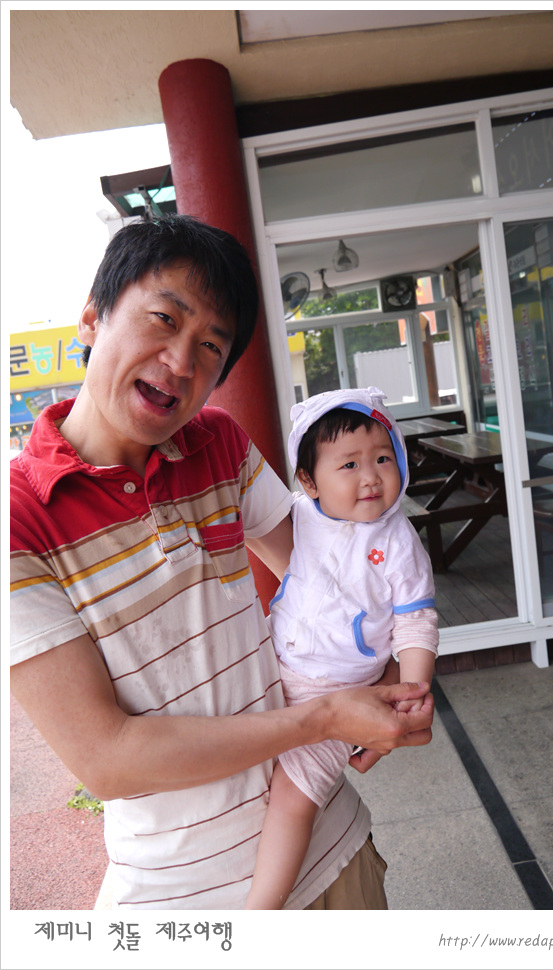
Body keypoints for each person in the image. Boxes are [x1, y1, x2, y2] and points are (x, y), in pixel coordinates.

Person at [10, 215, 434, 910]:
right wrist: (329, 718)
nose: (182, 362)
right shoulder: (20, 521)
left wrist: (393, 686)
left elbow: (337, 586)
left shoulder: (219, 444)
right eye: (164, 319)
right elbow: (106, 759)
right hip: (184, 899)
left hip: (332, 851)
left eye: (211, 345)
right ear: (91, 318)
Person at [244, 387, 438, 909]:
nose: (370, 476)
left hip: (340, 692)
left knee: (294, 798)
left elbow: (415, 622)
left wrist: (412, 691)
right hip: (272, 664)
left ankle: (260, 912)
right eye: (349, 465)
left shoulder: (398, 542)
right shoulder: (300, 518)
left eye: (382, 459)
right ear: (309, 482)